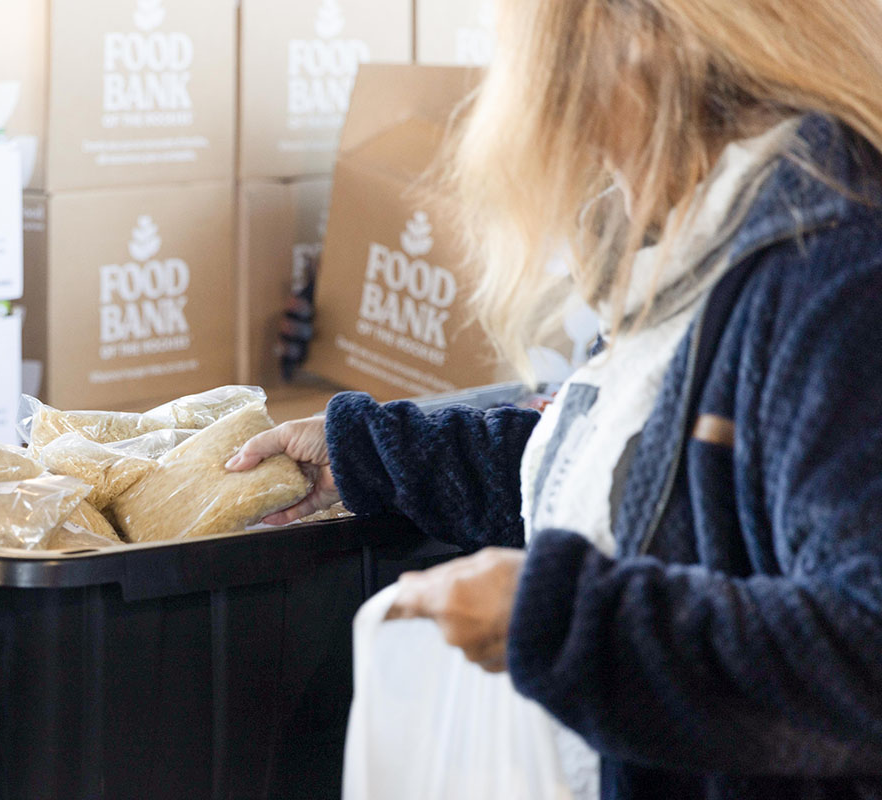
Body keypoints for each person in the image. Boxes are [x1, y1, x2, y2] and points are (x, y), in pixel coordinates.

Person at [227, 0, 882, 797]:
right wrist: (364, 453)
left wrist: (559, 620)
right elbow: (634, 482)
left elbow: (862, 656)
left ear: (635, 39)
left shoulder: (835, 271)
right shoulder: (713, 229)